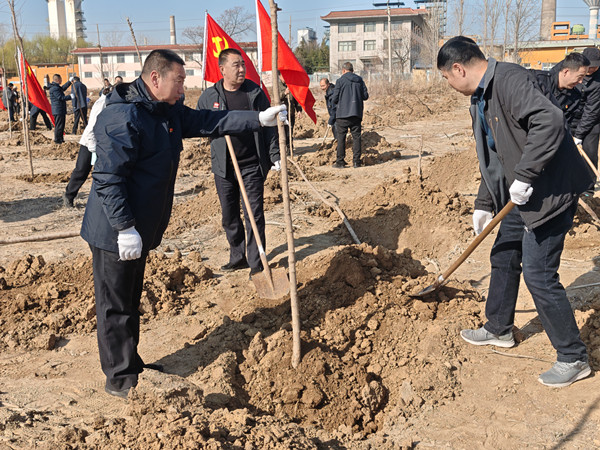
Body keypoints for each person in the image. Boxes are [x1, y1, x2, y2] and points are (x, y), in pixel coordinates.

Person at [80, 49, 286, 399]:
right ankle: (119, 378)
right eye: (179, 80)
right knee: (114, 304)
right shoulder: (122, 116)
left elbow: (210, 121)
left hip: (138, 228)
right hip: (114, 230)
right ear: (155, 78)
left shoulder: (166, 110)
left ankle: (131, 364)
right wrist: (125, 227)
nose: (183, 87)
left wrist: (258, 119)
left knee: (130, 299)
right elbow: (108, 178)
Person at [438, 36, 593, 388]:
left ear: (458, 69)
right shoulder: (481, 98)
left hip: (550, 192)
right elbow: (496, 156)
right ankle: (499, 328)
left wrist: (525, 176)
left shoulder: (509, 80)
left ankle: (573, 357)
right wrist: (484, 202)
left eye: (446, 78)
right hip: (521, 193)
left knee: (539, 274)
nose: (449, 84)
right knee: (505, 253)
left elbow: (550, 120)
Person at [197, 48, 280, 276]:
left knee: (254, 214)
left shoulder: (254, 93)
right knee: (229, 215)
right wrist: (213, 129)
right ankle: (237, 256)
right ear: (222, 69)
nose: (242, 69)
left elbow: (269, 126)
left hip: (251, 165)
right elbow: (198, 123)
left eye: (243, 64)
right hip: (223, 167)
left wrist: (274, 155)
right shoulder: (209, 97)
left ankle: (256, 263)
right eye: (236, 65)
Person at [63, 87, 111, 208]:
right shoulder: (101, 104)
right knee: (81, 170)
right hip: (90, 143)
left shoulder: (112, 104)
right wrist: (93, 149)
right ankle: (69, 195)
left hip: (103, 143)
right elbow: (91, 128)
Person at [532, 52, 589, 128]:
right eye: (579, 77)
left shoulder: (574, 97)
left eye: (583, 77)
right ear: (566, 71)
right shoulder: (538, 81)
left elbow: (567, 124)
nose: (581, 81)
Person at [332, 62, 368, 168]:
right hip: (356, 113)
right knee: (356, 137)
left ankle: (340, 162)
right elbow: (365, 96)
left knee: (341, 138)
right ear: (353, 70)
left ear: (343, 70)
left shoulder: (340, 81)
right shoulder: (359, 80)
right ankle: (356, 162)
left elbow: (334, 98)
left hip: (342, 114)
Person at [572, 47, 600, 176]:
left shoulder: (598, 82)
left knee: (590, 152)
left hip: (592, 119)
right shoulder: (573, 70)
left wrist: (579, 135)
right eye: (589, 66)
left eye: (595, 66)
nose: (591, 69)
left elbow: (592, 111)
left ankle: (589, 184)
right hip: (571, 115)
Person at [49, 74, 72, 144]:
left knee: (61, 125)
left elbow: (62, 88)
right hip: (58, 110)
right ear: (58, 80)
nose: (61, 80)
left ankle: (60, 139)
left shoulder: (56, 87)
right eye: (61, 79)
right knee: (59, 126)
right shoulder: (54, 88)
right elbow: (61, 97)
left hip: (60, 110)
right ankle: (57, 140)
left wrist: (69, 82)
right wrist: (70, 96)